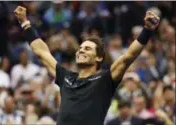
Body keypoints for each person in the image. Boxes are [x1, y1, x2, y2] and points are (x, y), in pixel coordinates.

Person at [14, 6, 160, 125]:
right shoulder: (66, 77)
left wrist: (147, 30)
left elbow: (128, 57)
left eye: (87, 49)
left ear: (99, 57)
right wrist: (25, 24)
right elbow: (42, 53)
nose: (81, 50)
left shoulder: (105, 79)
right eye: (80, 48)